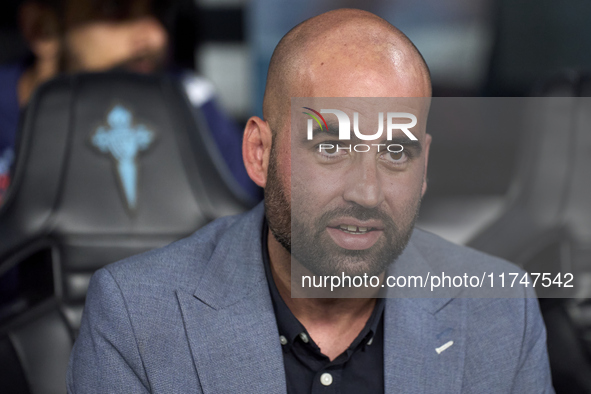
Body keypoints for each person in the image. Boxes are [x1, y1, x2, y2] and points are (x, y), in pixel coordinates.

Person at [67, 9, 554, 393]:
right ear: (259, 153)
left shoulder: (499, 311)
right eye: (330, 147)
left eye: (395, 151)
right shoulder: (136, 316)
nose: (366, 192)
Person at [0, 0, 260, 203]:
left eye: (158, 9)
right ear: (42, 28)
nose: (156, 37)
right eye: (115, 9)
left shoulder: (191, 100)